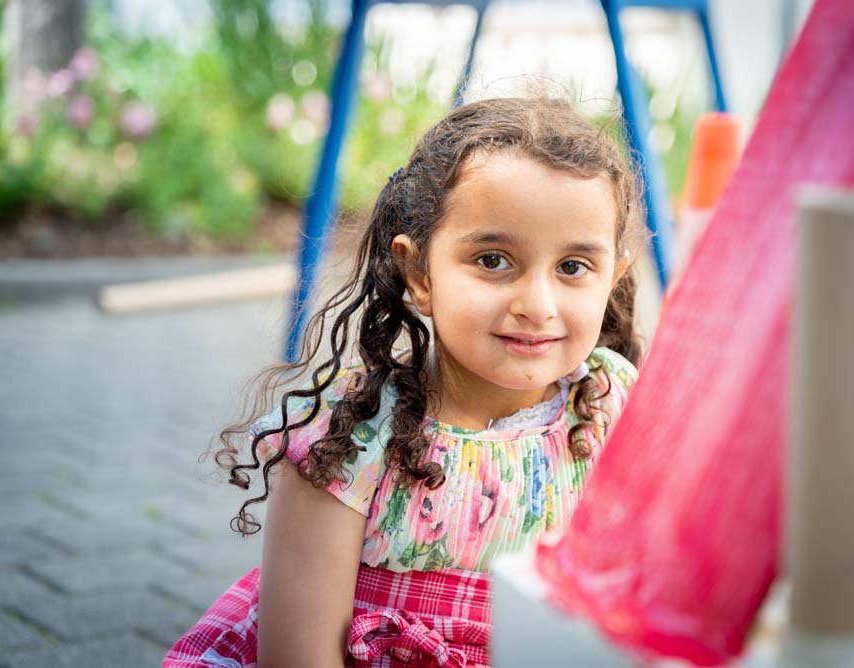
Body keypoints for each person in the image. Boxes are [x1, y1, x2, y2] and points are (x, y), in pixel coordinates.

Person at [164, 96, 644, 668]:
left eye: (573, 267)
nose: (537, 306)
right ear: (420, 273)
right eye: (493, 260)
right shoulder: (351, 437)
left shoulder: (614, 406)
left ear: (612, 276)